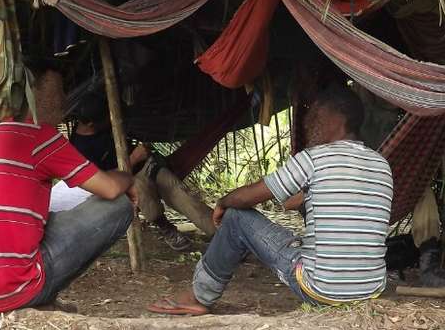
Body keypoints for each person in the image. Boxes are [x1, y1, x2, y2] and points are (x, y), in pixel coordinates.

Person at [147, 84, 393, 315]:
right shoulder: (382, 165)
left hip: (322, 289)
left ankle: (199, 296)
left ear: (337, 119)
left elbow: (247, 197)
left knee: (235, 217)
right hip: (370, 290)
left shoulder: (315, 158)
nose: (309, 123)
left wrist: (223, 202)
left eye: (316, 116)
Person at [0, 60, 137, 314]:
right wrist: (128, 178)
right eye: (58, 91)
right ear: (32, 93)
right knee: (119, 205)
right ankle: (41, 294)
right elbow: (110, 189)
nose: (64, 101)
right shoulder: (39, 136)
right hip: (10, 292)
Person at [62, 92, 191, 251]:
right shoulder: (81, 150)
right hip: (124, 180)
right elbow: (102, 180)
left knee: (178, 190)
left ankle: (216, 230)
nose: (109, 121)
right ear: (90, 123)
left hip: (147, 166)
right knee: (141, 190)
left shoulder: (98, 123)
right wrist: (134, 158)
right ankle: (166, 228)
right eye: (105, 120)